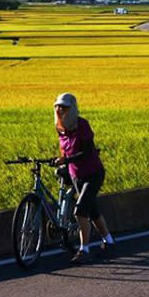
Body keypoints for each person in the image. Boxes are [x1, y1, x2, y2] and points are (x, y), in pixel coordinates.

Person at [52, 92, 115, 263]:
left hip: (93, 174)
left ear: (72, 109)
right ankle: (109, 241)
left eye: (64, 107)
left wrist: (67, 160)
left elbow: (87, 152)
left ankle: (84, 250)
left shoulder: (83, 125)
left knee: (80, 210)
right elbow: (66, 152)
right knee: (92, 210)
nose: (60, 110)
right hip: (76, 175)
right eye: (57, 107)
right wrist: (64, 166)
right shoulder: (61, 129)